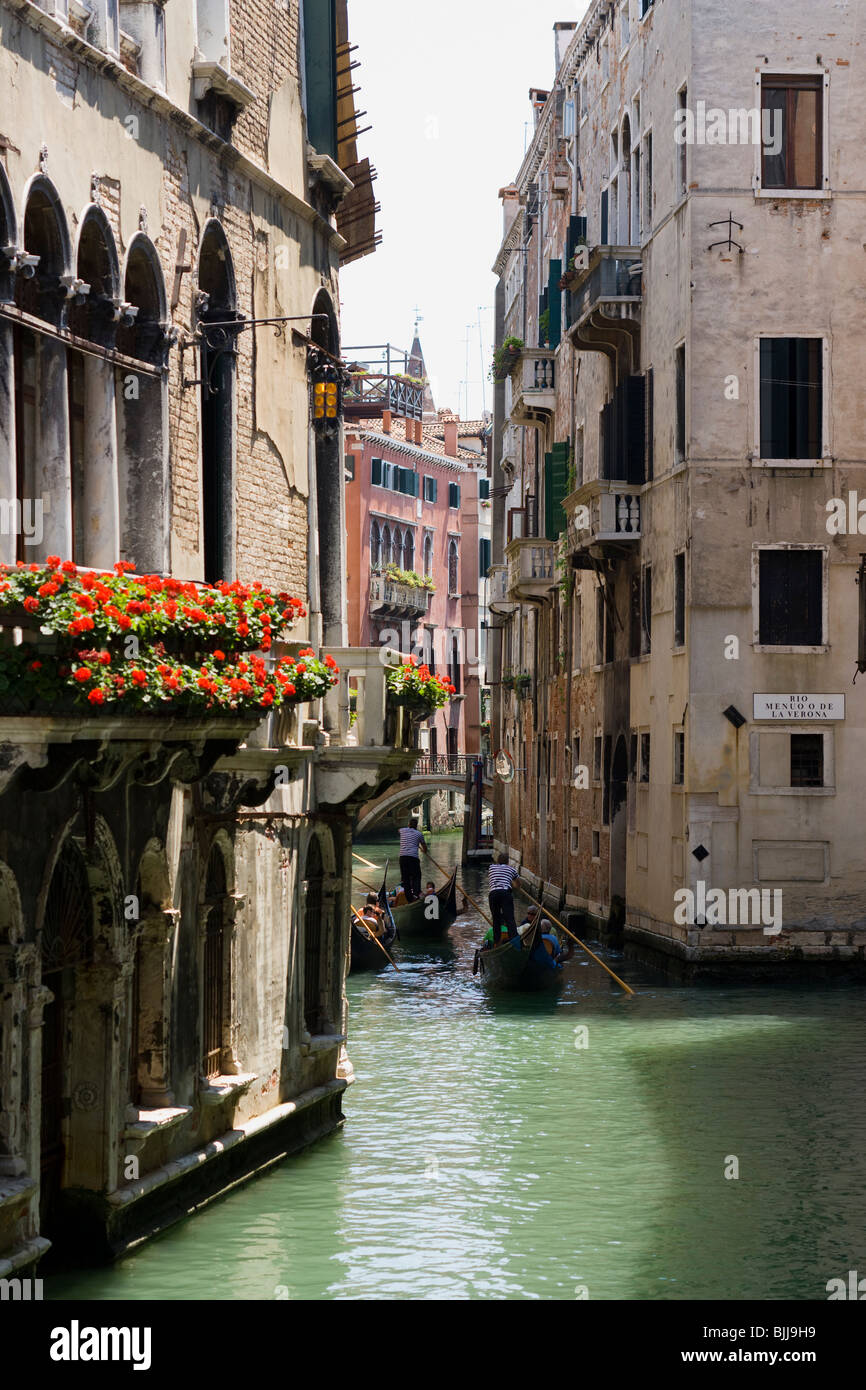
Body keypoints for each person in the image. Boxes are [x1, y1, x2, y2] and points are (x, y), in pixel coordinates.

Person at [487, 853, 519, 945]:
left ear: (497, 861)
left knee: (496, 919)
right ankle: (514, 941)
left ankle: (496, 942)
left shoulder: (491, 868)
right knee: (510, 919)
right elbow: (518, 883)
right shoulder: (512, 869)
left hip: (493, 894)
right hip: (505, 893)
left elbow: (493, 878)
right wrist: (516, 886)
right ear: (507, 861)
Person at [398, 816, 427, 902]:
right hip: (413, 858)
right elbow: (424, 848)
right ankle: (416, 893)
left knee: (405, 878)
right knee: (416, 876)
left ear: (408, 824)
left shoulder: (402, 830)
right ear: (416, 826)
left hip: (403, 858)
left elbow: (398, 830)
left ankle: (409, 898)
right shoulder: (419, 834)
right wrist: (424, 851)